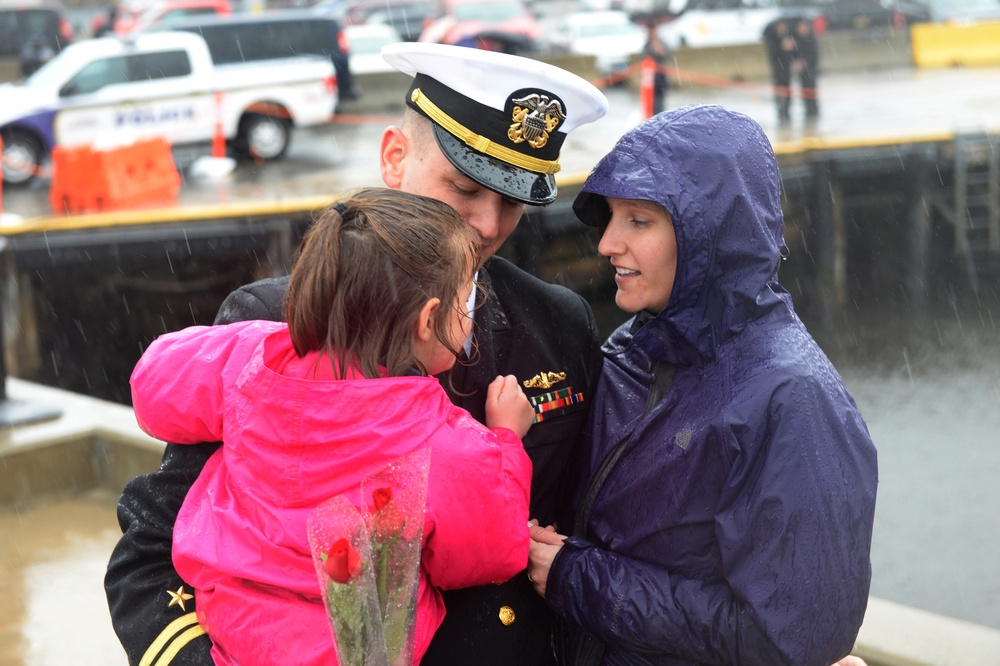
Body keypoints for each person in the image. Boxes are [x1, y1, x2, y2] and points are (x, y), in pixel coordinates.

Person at [105, 42, 609, 666]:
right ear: (394, 158)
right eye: (463, 187)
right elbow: (151, 554)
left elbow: (593, 529)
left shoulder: (559, 324)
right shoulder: (278, 322)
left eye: (512, 201)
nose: (485, 224)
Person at [526, 104, 879, 665]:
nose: (606, 244)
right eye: (611, 218)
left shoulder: (793, 402)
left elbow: (793, 641)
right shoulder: (631, 351)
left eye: (638, 221)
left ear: (709, 237)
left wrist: (580, 578)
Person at [128, 188, 536, 665]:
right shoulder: (441, 442)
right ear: (428, 320)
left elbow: (155, 388)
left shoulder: (251, 356)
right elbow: (493, 550)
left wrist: (261, 340)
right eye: (468, 296)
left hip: (230, 637)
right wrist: (506, 439)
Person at [763, 18, 796, 124]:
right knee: (778, 90)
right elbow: (772, 53)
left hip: (787, 68)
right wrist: (783, 47)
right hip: (777, 69)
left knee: (787, 90)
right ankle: (780, 112)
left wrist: (791, 47)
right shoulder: (772, 37)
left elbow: (793, 54)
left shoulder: (787, 36)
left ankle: (786, 111)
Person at [641, 21, 671, 116]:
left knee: (660, 102)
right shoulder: (646, 46)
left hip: (661, 78)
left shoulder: (663, 43)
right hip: (650, 80)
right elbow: (643, 58)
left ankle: (660, 115)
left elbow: (669, 54)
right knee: (651, 103)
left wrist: (660, 51)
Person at [794, 17, 820, 120]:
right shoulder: (797, 40)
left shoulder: (811, 38)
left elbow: (814, 55)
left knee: (811, 91)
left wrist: (805, 62)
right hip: (803, 72)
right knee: (804, 91)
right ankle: (808, 111)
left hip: (811, 70)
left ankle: (813, 111)